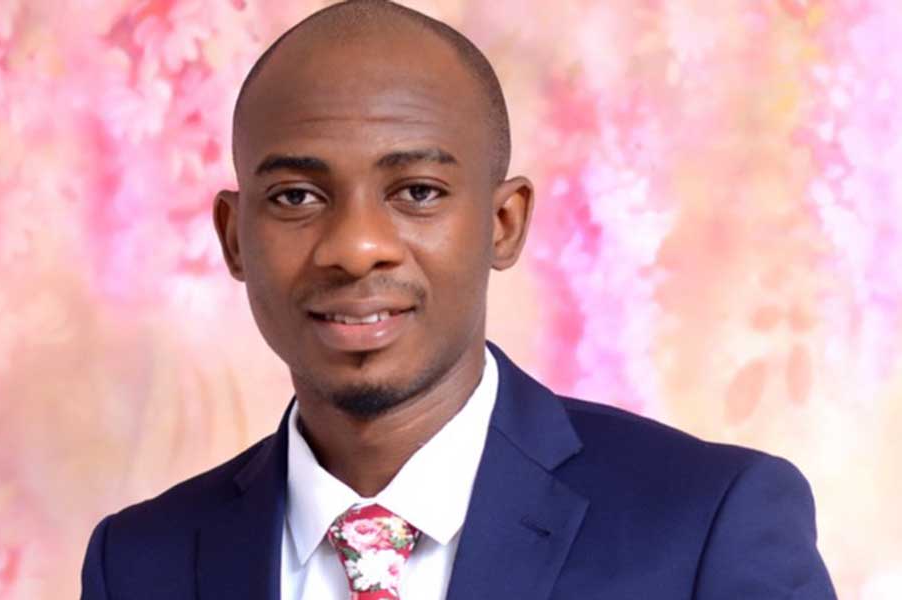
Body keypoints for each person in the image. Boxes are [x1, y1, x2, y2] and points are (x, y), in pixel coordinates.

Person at [80, 1, 837, 598]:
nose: (356, 247)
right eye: (297, 196)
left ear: (503, 224)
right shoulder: (139, 563)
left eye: (417, 191)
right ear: (234, 238)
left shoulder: (707, 524)